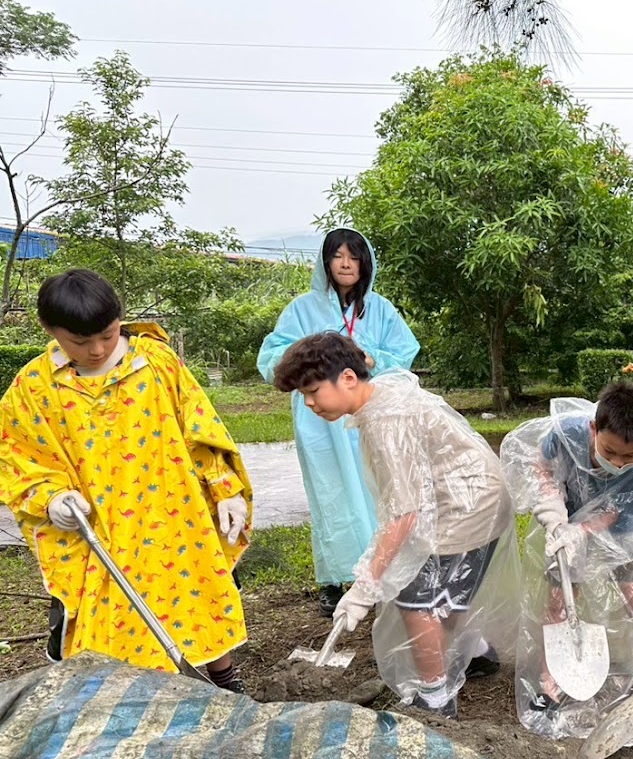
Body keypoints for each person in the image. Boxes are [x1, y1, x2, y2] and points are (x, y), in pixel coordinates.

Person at [0, 269, 250, 688]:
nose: (97, 349)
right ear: (49, 329)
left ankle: (223, 678)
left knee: (198, 594)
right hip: (97, 528)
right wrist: (50, 499)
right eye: (79, 342)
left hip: (175, 515)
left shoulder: (156, 364)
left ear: (120, 320)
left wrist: (227, 490)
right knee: (109, 616)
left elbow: (201, 430)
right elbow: (19, 457)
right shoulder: (33, 388)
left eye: (108, 334)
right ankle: (128, 696)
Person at [271, 332, 518, 718]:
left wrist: (365, 588)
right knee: (443, 592)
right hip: (477, 497)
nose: (308, 402)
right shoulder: (382, 400)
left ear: (349, 378)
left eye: (314, 390)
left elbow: (404, 514)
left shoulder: (387, 423)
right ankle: (478, 653)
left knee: (415, 599)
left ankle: (436, 698)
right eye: (302, 394)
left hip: (465, 505)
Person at [500, 387, 633, 740]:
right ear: (593, 429)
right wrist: (553, 507)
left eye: (628, 456)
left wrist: (581, 531)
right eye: (610, 451)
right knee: (558, 600)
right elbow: (541, 465)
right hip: (563, 524)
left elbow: (618, 517)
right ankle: (549, 688)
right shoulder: (566, 432)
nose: (617, 463)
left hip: (617, 535)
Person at [257, 228, 421, 617]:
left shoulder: (379, 309)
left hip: (369, 413)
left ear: (365, 263)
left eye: (354, 256)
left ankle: (378, 574)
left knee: (375, 490)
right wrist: (311, 361)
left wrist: (371, 357)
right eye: (337, 256)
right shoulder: (301, 309)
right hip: (321, 421)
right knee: (329, 494)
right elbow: (273, 356)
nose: (346, 264)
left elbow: (405, 352)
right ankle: (332, 580)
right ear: (325, 262)